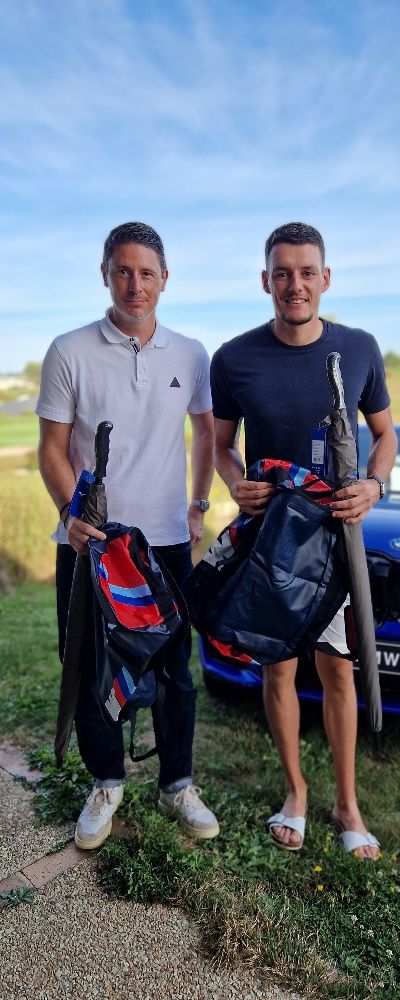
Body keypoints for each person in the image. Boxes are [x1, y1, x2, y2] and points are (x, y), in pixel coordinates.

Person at [211, 222, 397, 860]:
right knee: (279, 669)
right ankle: (295, 792)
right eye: (282, 273)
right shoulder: (234, 358)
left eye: (307, 272)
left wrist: (374, 486)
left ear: (326, 278)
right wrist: (234, 482)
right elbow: (219, 446)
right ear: (265, 280)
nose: (295, 284)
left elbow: (386, 435)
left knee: (338, 671)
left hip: (336, 538)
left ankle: (347, 803)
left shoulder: (360, 349)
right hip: (270, 542)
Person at [36, 221, 219, 849]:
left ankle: (178, 784)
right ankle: (106, 782)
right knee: (91, 665)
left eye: (146, 273)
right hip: (92, 544)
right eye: (123, 271)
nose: (134, 285)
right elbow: (52, 449)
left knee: (174, 670)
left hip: (165, 542)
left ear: (165, 279)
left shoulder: (191, 354)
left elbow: (207, 433)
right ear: (105, 274)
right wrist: (72, 514)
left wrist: (198, 506)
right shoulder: (69, 350)